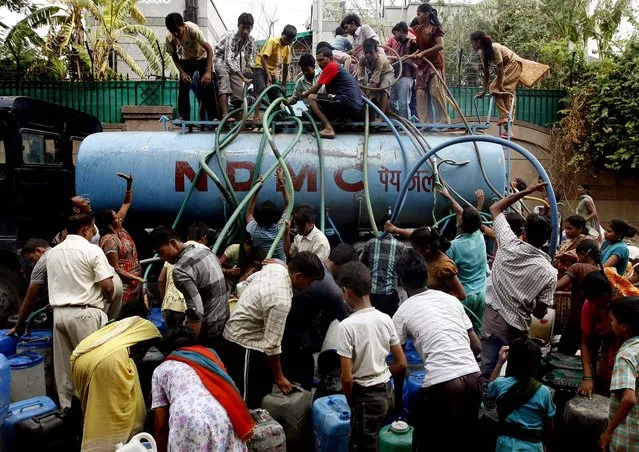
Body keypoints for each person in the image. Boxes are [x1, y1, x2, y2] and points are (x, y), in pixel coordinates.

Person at [393, 250, 481, 451]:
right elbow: (476, 346)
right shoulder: (451, 300)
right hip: (474, 379)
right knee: (463, 440)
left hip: (444, 384)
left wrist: (398, 398)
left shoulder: (402, 312)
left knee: (428, 441)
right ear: (426, 274)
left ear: (401, 281)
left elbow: (400, 364)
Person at [223, 252, 324, 408]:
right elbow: (271, 345)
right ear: (298, 276)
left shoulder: (276, 267)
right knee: (246, 397)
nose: (309, 286)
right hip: (243, 343)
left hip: (249, 334)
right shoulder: (280, 299)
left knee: (260, 388)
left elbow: (247, 282)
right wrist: (279, 377)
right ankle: (247, 427)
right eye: (309, 281)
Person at [479, 181, 557, 379]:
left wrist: (526, 191)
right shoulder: (549, 272)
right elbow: (540, 313)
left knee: (488, 366)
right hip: (517, 327)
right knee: (515, 372)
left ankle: (488, 401)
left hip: (493, 318)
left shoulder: (507, 244)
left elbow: (495, 208)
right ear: (547, 239)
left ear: (524, 233)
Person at [46, 214, 115, 409]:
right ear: (85, 229)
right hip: (85, 314)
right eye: (93, 229)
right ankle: (93, 413)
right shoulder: (92, 250)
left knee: (65, 370)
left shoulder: (53, 252)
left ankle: (67, 411)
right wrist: (109, 299)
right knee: (92, 366)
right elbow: (108, 286)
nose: (93, 233)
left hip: (59, 315)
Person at [337, 261, 407, 452]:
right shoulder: (385, 319)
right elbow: (401, 364)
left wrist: (352, 399)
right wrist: (380, 371)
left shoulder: (346, 326)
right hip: (386, 392)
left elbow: (346, 377)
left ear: (347, 292)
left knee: (362, 445)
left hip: (364, 395)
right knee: (378, 438)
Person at [153, 327, 253, 452]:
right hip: (226, 415)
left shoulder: (162, 369)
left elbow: (160, 424)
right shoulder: (211, 357)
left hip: (189, 420)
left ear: (166, 351)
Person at [70, 315, 162, 451]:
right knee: (114, 416)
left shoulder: (114, 332)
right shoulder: (128, 348)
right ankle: (109, 446)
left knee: (95, 408)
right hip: (108, 362)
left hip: (82, 360)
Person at [281, 244, 357, 390]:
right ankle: (300, 396)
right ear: (343, 266)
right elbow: (347, 322)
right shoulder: (331, 290)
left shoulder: (318, 263)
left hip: (289, 320)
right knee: (304, 368)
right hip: (295, 331)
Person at [150, 225, 228, 348]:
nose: (161, 258)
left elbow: (195, 312)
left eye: (161, 252)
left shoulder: (181, 270)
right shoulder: (206, 252)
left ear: (173, 243)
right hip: (223, 322)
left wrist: (188, 349)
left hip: (206, 329)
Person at [471, 31, 549, 129]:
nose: (471, 45)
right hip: (506, 67)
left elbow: (500, 70)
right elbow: (486, 73)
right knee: (505, 93)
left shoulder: (494, 48)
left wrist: (497, 86)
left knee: (496, 88)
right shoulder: (482, 53)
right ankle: (507, 129)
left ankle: (506, 116)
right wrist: (483, 90)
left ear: (478, 41)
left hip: (514, 64)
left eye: (472, 42)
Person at [488, 339, 556, 452]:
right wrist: (545, 443)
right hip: (533, 446)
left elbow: (490, 389)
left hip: (505, 445)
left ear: (510, 361)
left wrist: (500, 362)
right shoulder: (544, 392)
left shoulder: (500, 384)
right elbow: (549, 425)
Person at [384, 222, 467, 301]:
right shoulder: (428, 249)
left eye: (415, 248)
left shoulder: (444, 267)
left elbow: (461, 295)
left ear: (427, 248)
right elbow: (414, 237)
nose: (414, 250)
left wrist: (434, 303)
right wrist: (395, 229)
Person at [95, 173, 143, 306]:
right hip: (125, 284)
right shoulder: (109, 240)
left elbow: (126, 203)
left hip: (135, 281)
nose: (119, 218)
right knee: (122, 312)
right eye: (116, 217)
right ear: (110, 225)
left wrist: (129, 185)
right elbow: (115, 268)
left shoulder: (120, 229)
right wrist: (136, 278)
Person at [599, 297, 639, 451]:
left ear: (624, 326)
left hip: (628, 437)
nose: (611, 324)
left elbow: (629, 399)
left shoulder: (625, 355)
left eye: (612, 320)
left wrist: (608, 431)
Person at [302, 47, 365, 139]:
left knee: (311, 97)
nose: (319, 63)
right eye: (318, 61)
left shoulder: (331, 66)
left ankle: (328, 128)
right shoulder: (336, 67)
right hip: (353, 103)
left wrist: (305, 93)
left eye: (322, 60)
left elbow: (316, 88)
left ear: (330, 58)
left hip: (346, 101)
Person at [579, 271, 624, 397]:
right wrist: (588, 377)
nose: (592, 304)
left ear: (605, 296)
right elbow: (585, 342)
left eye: (594, 301)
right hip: (606, 350)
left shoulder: (625, 303)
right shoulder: (590, 304)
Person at [165, 13, 217, 121]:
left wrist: (208, 72)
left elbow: (209, 49)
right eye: (172, 31)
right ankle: (184, 116)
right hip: (188, 59)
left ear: (183, 25)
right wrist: (182, 72)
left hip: (203, 57)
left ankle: (214, 116)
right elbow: (174, 55)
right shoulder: (170, 37)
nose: (176, 34)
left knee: (208, 84)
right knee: (184, 83)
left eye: (178, 30)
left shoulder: (192, 30)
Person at [158, 222, 210, 329]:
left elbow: (160, 280)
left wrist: (165, 300)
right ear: (204, 238)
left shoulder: (173, 250)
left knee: (172, 338)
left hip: (168, 305)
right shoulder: (203, 251)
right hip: (185, 307)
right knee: (184, 340)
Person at [360, 216, 407, 317]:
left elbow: (361, 263)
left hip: (372, 293)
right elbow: (403, 271)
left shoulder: (371, 243)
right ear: (396, 229)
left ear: (381, 227)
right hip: (390, 295)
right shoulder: (401, 246)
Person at [409, 3, 449, 124]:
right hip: (422, 65)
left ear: (426, 14)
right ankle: (425, 122)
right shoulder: (418, 29)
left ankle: (443, 121)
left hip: (434, 64)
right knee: (420, 94)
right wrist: (414, 54)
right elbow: (419, 47)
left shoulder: (436, 28)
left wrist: (423, 53)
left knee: (435, 91)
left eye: (419, 14)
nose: (417, 17)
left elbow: (440, 45)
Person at [214, 13, 257, 119]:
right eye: (243, 28)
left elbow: (249, 59)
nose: (246, 31)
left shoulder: (250, 39)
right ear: (238, 26)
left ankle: (238, 117)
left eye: (248, 28)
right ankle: (225, 115)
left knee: (238, 89)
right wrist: (242, 77)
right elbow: (228, 59)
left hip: (233, 60)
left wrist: (257, 72)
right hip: (220, 59)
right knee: (225, 84)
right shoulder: (232, 36)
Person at [8, 238, 51, 337]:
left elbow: (29, 302)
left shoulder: (41, 263)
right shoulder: (66, 254)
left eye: (32, 259)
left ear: (39, 251)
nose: (33, 264)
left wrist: (17, 326)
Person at [252, 25, 297, 119]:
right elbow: (264, 59)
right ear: (282, 34)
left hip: (271, 72)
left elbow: (285, 67)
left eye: (289, 41)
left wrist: (283, 85)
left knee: (275, 95)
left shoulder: (287, 48)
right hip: (260, 67)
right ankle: (256, 116)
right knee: (261, 90)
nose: (287, 42)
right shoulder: (272, 41)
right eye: (285, 39)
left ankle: (278, 116)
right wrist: (267, 75)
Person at [245, 171, 288, 261]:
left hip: (263, 267)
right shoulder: (280, 229)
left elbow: (249, 214)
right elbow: (288, 205)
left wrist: (256, 190)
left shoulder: (255, 231)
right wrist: (282, 184)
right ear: (276, 216)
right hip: (280, 266)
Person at [389, 21, 417, 120]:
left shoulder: (412, 42)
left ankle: (406, 125)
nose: (394, 36)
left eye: (395, 33)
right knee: (391, 102)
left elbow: (421, 54)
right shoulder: (398, 45)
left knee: (403, 103)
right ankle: (397, 124)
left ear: (401, 31)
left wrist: (411, 61)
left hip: (406, 77)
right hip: (396, 77)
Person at [358, 38, 394, 115]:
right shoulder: (362, 59)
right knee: (369, 94)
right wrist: (362, 91)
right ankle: (387, 112)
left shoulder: (379, 60)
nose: (368, 55)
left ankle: (381, 117)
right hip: (375, 74)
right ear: (363, 51)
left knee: (383, 89)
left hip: (387, 73)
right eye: (366, 52)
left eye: (371, 52)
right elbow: (360, 77)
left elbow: (374, 81)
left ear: (376, 51)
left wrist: (367, 93)